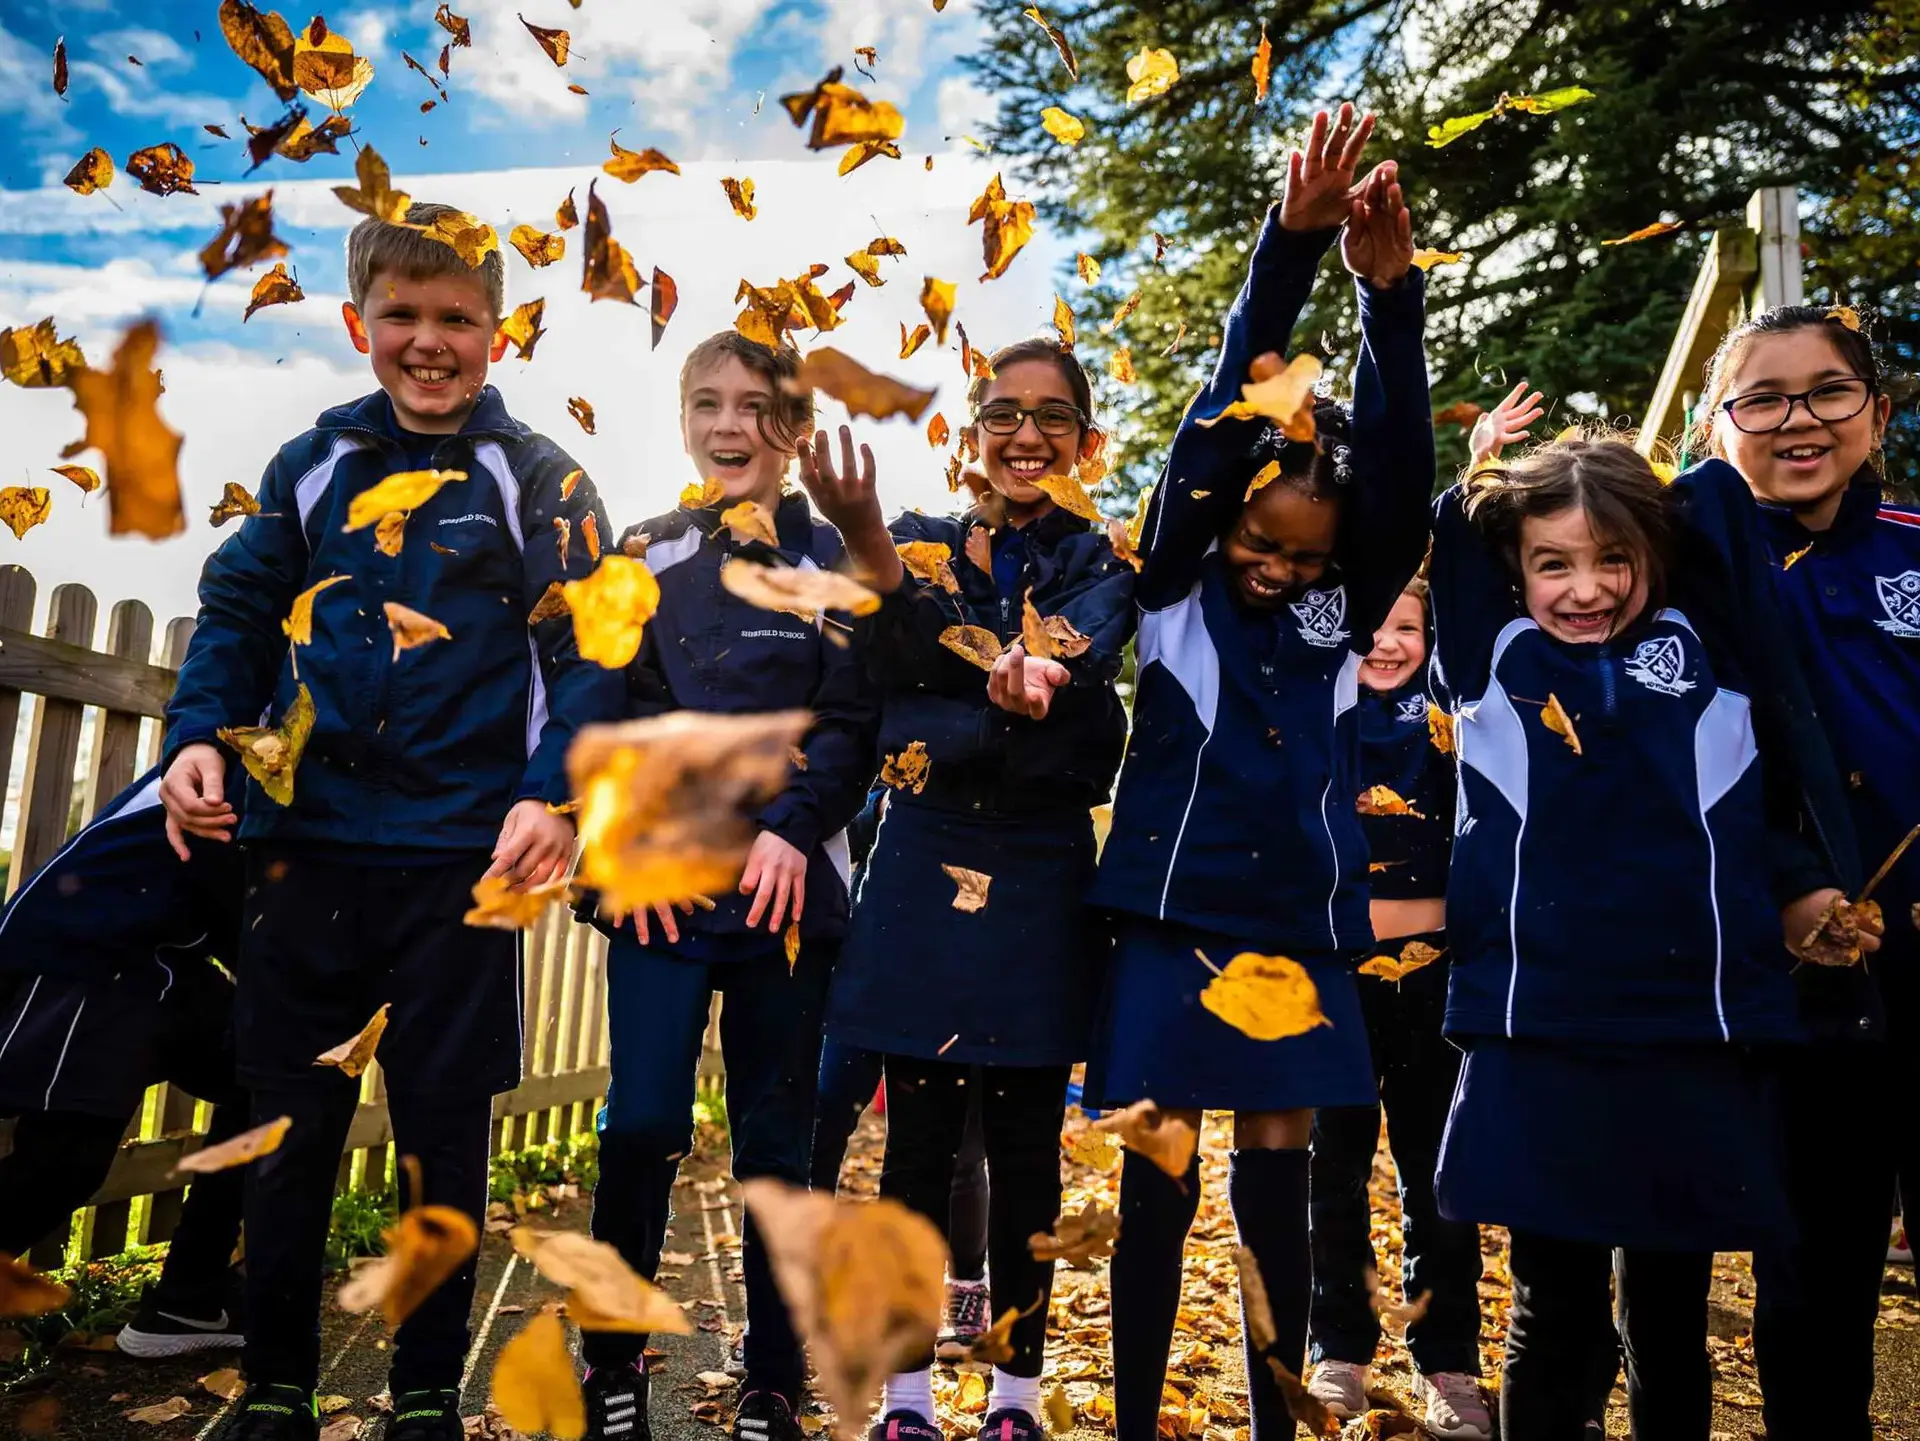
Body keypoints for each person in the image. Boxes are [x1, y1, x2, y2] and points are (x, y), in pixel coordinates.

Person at [160, 202, 623, 1441]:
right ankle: (274, 1379)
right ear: (360, 323)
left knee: (439, 1129)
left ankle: (423, 1385)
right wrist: (198, 734)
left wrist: (552, 789)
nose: (431, 343)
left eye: (457, 319)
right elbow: (239, 615)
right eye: (404, 317)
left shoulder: (540, 480)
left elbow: (592, 650)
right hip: (301, 846)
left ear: (498, 332)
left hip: (460, 859)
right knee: (288, 1122)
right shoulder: (309, 466)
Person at [1083, 105, 1435, 1441]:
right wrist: (1287, 253)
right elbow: (1218, 425)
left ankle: (1278, 1413)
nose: (1282, 572)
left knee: (1280, 1165)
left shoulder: (1348, 586)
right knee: (1161, 1168)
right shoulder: (1176, 582)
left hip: (1300, 913)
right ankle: (1127, 1414)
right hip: (1175, 916)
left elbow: (1402, 467)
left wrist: (1385, 300)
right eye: (1262, 549)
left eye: (1307, 556)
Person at [1426, 432, 1863, 1441]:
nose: (1585, 588)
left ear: (1655, 558)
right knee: (1554, 1305)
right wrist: (1496, 470)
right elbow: (1453, 523)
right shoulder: (1495, 660)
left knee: (1665, 1315)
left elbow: (1711, 492)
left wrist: (1632, 498)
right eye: (1553, 563)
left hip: (1691, 1033)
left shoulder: (1712, 653)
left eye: (1612, 558)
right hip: (1543, 1031)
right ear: (1515, 571)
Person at [797, 341, 1135, 1441]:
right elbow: (889, 669)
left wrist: (1017, 689)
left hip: (1041, 868)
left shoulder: (1102, 553)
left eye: (1052, 416)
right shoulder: (921, 545)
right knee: (917, 1146)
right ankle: (903, 1398)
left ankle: (1017, 1395)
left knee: (1030, 1143)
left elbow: (1080, 665)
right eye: (1002, 412)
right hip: (925, 860)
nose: (1026, 433)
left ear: (1087, 441)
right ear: (969, 434)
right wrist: (865, 545)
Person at [577, 333, 877, 1441]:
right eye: (706, 403)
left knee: (776, 1145)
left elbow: (851, 723)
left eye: (755, 407)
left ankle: (772, 1375)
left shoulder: (836, 563)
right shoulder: (648, 551)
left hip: (784, 898)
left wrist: (797, 828)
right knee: (641, 1121)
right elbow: (607, 712)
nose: (728, 426)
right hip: (660, 888)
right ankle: (610, 1365)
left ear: (794, 431)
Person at [1689, 303, 1915, 1441]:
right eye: (1762, 399)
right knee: (1816, 1276)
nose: (1797, 420)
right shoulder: (1681, 575)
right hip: (1807, 978)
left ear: (1875, 409)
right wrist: (1785, 883)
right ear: (1718, 426)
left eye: (1827, 391)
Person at [1304, 576, 1489, 1439]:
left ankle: (1450, 1357)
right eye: (1372, 625)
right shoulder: (1320, 715)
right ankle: (1337, 1343)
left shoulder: (1451, 720)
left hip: (1431, 982)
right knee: (1329, 1170)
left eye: (1407, 626)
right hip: (1332, 981)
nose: (1386, 641)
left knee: (1436, 1173)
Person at [0, 763, 247, 1358]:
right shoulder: (247, 754)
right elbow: (235, 891)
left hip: (159, 961)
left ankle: (188, 1299)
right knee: (61, 1162)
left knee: (271, 1069)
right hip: (85, 953)